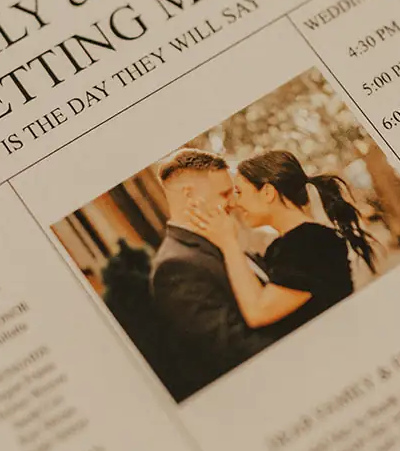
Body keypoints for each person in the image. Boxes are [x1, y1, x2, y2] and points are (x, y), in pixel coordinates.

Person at [187, 150, 375, 340]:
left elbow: (257, 313)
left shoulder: (310, 242)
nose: (234, 203)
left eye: (239, 192)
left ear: (268, 193)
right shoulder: (290, 243)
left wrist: (228, 241)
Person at [148, 149, 271, 401]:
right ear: (189, 195)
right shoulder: (174, 267)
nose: (233, 202)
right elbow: (234, 349)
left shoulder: (221, 237)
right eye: (224, 193)